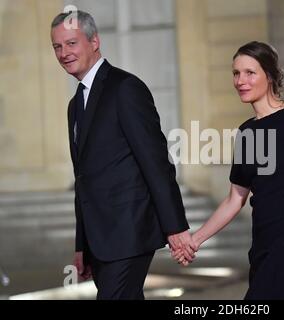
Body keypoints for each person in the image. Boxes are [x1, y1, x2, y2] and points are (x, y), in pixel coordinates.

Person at [172, 41, 284, 299]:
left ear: (269, 75)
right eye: (236, 73)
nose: (240, 80)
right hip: (263, 245)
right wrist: (195, 240)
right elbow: (235, 199)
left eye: (249, 72)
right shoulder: (246, 133)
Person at [50, 10, 195, 299]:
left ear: (94, 41)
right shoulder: (75, 104)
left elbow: (156, 162)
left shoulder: (125, 88)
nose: (64, 53)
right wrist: (83, 245)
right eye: (57, 46)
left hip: (130, 233)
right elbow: (84, 180)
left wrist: (176, 227)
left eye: (71, 43)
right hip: (101, 240)